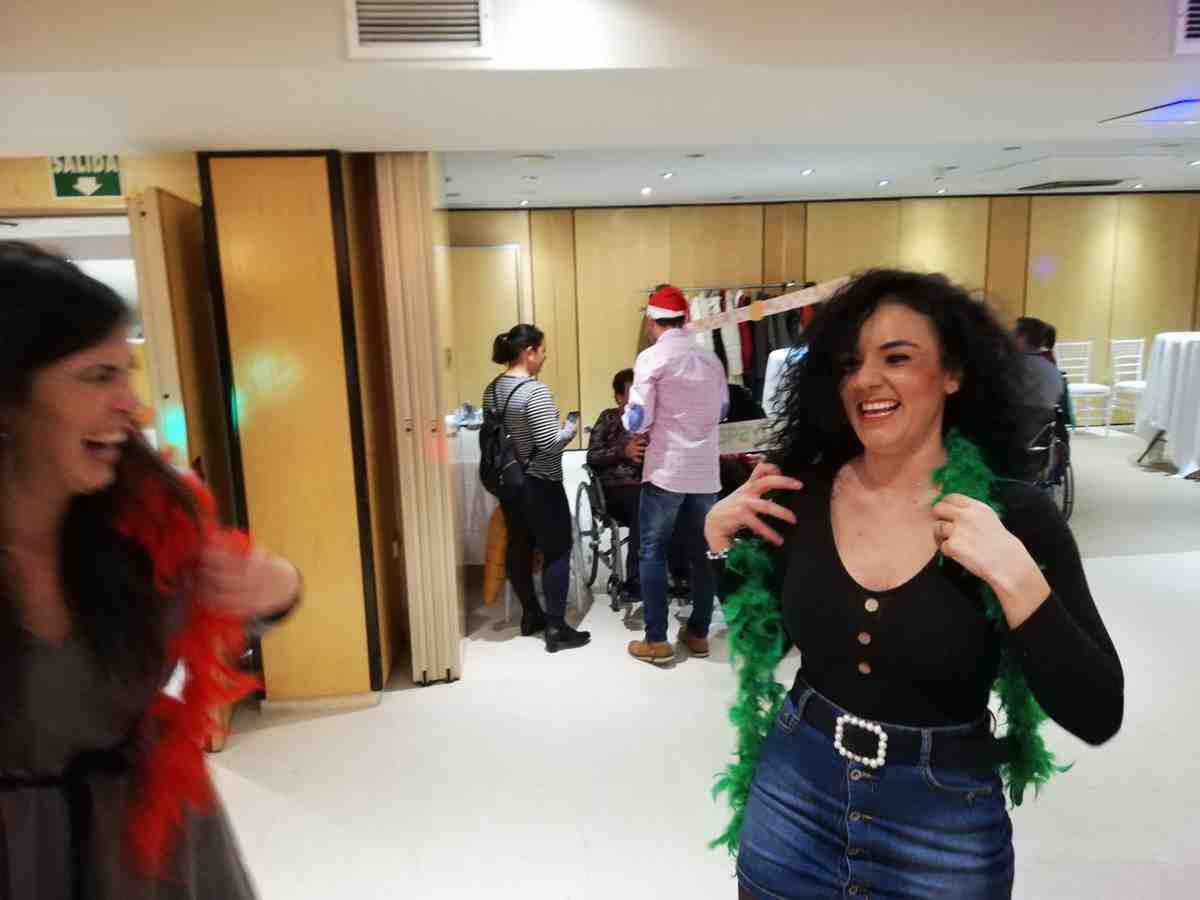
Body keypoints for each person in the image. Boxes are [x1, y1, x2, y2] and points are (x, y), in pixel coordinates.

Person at [704, 270, 1123, 899]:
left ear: (952, 373)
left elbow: (1097, 713)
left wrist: (1015, 575)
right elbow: (764, 639)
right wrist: (718, 542)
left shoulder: (1013, 516)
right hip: (794, 797)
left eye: (896, 357)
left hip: (941, 824)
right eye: (851, 364)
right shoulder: (803, 493)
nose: (866, 380)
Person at [0, 241, 302, 899]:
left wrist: (277, 587)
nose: (132, 406)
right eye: (97, 376)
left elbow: (226, 612)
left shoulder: (145, 518)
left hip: (155, 852)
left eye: (126, 373)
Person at [624, 285, 728, 665]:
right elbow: (722, 410)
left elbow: (639, 418)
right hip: (705, 473)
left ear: (653, 321)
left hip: (667, 471)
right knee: (703, 553)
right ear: (685, 318)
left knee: (653, 551)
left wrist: (629, 421)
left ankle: (656, 640)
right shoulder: (711, 360)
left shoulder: (651, 359)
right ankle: (698, 633)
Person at [484, 324, 589, 653]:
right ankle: (556, 628)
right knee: (557, 548)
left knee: (520, 545)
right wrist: (569, 429)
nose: (544, 357)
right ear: (528, 352)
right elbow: (549, 444)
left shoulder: (492, 389)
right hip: (540, 481)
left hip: (509, 481)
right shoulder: (535, 391)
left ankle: (531, 614)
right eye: (542, 351)